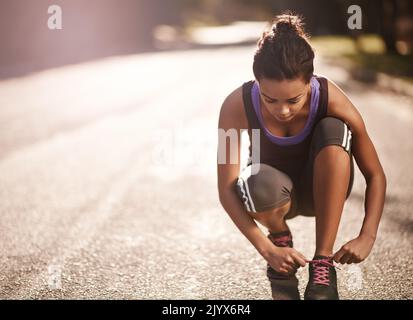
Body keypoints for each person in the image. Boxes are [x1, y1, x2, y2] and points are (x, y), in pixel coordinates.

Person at [216, 13, 387, 300]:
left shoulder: (332, 98)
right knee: (255, 179)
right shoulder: (236, 105)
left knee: (334, 128)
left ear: (309, 82)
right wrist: (267, 248)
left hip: (326, 191)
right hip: (273, 199)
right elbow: (226, 187)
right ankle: (281, 239)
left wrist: (367, 236)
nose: (282, 110)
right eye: (270, 99)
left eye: (294, 99)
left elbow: (375, 174)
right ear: (257, 82)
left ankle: (322, 264)